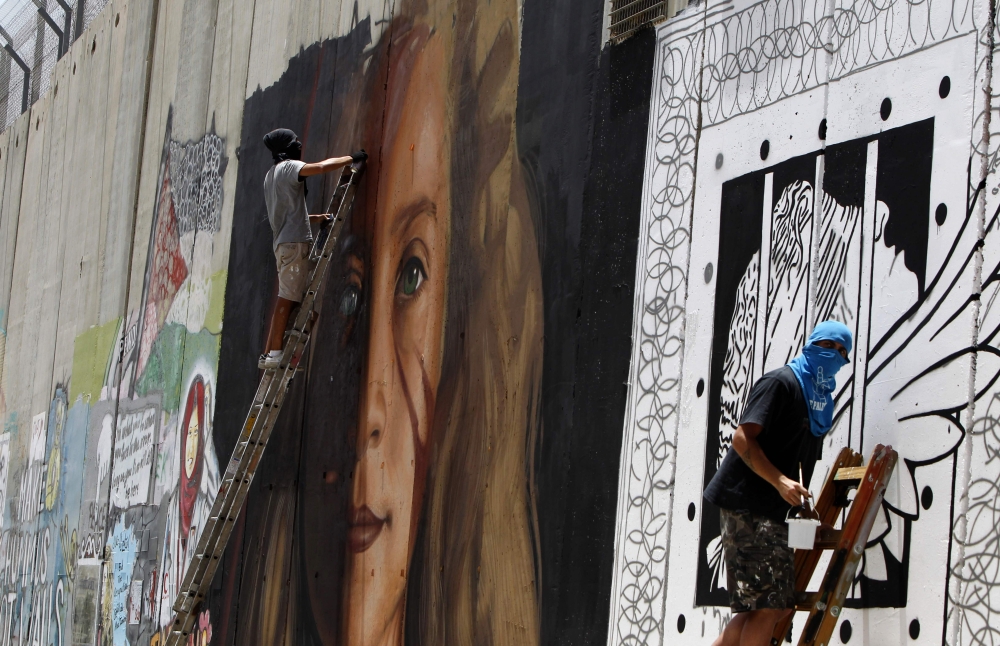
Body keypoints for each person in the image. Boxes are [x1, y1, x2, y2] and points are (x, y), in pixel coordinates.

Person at [705, 320, 853, 646]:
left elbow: (797, 458)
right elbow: (742, 438)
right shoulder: (782, 382)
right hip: (747, 504)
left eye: (843, 352)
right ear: (813, 344)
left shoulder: (820, 402)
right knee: (770, 607)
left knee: (770, 607)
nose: (836, 356)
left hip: (773, 511)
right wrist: (781, 481)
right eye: (829, 346)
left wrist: (798, 500)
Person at [258, 128, 366, 369]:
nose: (299, 146)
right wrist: (351, 158)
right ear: (286, 149)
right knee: (287, 298)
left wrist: (318, 218)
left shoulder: (270, 176)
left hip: (284, 243)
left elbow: (290, 215)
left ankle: (269, 353)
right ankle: (275, 353)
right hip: (294, 244)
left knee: (297, 302)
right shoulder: (287, 168)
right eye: (295, 143)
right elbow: (318, 168)